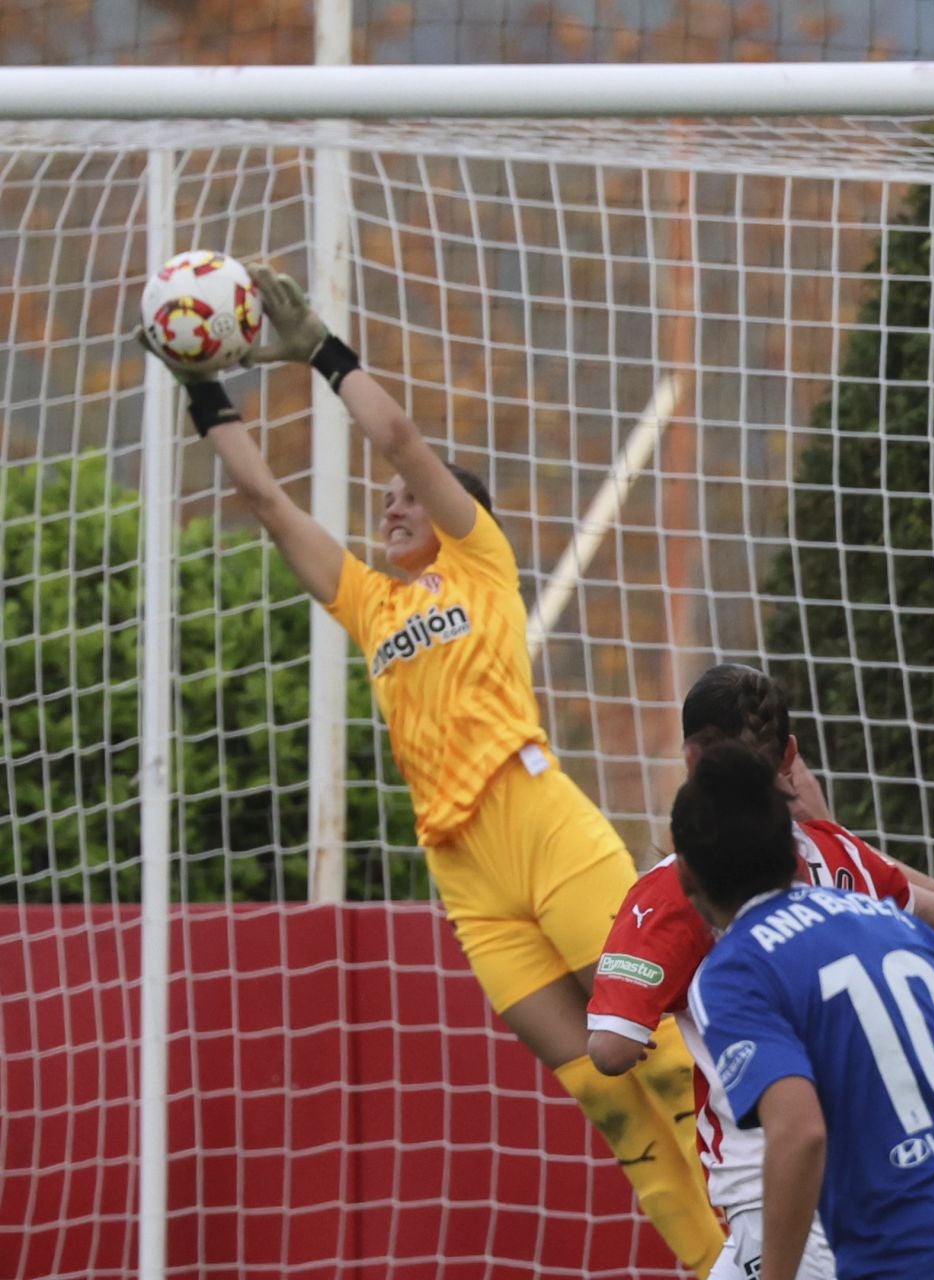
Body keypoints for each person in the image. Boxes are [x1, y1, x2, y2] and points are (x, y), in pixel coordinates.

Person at [136, 266, 723, 1273]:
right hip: (467, 874)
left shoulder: (480, 563)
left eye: (414, 496)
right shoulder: (372, 603)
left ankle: (784, 1235)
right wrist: (202, 390)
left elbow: (402, 439)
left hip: (542, 823)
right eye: (389, 499)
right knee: (604, 1097)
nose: (394, 497)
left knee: (663, 1058)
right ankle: (720, 1263)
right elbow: (270, 502)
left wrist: (319, 350)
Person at [585, 662, 934, 1280]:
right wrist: (837, 831)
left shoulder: (677, 887)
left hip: (778, 1190)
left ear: (690, 759)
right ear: (789, 754)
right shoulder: (838, 854)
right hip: (889, 1171)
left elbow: (609, 1048)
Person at [670, 738, 934, 1280]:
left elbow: (800, 1134)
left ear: (685, 876)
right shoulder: (884, 919)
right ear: (792, 850)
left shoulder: (732, 970)